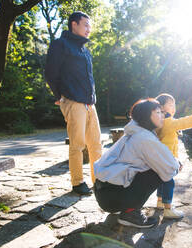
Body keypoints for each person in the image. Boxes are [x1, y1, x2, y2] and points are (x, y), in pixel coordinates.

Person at [94, 99, 180, 228]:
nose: (163, 115)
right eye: (158, 112)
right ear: (146, 115)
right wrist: (178, 164)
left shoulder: (136, 132)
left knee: (156, 165)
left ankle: (126, 207)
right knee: (158, 171)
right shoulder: (144, 138)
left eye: (163, 112)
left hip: (104, 193)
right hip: (111, 197)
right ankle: (130, 213)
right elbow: (170, 168)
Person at [45, 11, 102, 195]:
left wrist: (92, 98)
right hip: (72, 101)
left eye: (89, 26)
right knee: (77, 145)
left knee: (96, 144)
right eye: (85, 24)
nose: (89, 29)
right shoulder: (60, 44)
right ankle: (78, 183)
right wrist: (58, 96)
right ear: (74, 24)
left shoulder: (85, 50)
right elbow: (50, 72)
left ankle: (99, 180)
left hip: (89, 103)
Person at [155, 93, 192, 218]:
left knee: (161, 180)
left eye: (174, 105)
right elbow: (183, 122)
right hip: (167, 159)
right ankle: (168, 208)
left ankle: (160, 201)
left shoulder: (160, 121)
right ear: (161, 107)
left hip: (161, 157)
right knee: (169, 182)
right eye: (171, 104)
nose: (174, 107)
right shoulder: (168, 122)